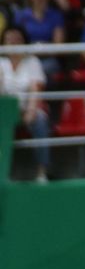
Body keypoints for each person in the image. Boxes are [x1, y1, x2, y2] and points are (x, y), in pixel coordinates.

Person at [0, 22, 52, 181]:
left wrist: (30, 111)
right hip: (5, 109)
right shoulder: (1, 63)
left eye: (17, 39)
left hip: (29, 107)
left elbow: (36, 88)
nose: (13, 43)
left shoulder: (33, 62)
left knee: (40, 122)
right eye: (9, 39)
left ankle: (42, 172)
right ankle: (3, 173)